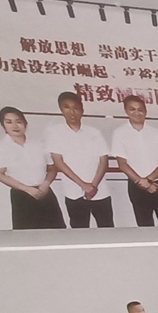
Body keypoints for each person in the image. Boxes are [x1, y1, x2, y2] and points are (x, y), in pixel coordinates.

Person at [46, 92, 114, 228]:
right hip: (73, 192)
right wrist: (83, 185)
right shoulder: (54, 133)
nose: (72, 112)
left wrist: (93, 186)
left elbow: (103, 161)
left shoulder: (94, 132)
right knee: (79, 231)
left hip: (99, 190)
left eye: (76, 108)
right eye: (67, 107)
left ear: (82, 110)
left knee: (107, 228)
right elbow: (59, 162)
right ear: (61, 109)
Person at [0, 107, 63, 229]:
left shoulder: (39, 144)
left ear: (25, 123)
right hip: (21, 195)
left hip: (44, 192)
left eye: (18, 121)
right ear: (4, 126)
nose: (15, 126)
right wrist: (26, 189)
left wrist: (45, 185)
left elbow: (52, 168)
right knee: (26, 234)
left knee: (56, 232)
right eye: (9, 122)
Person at [110, 95, 158, 227]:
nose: (137, 113)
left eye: (140, 109)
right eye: (132, 109)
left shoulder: (155, 133)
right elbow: (122, 164)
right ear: (126, 111)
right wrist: (141, 182)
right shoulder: (119, 133)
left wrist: (149, 181)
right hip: (136, 186)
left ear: (145, 111)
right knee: (145, 226)